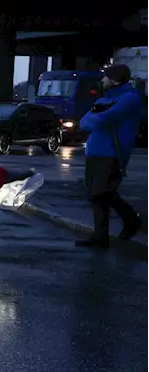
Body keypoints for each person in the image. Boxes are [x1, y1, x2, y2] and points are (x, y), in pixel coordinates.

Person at [76, 63, 142, 247]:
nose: (102, 80)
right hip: (94, 151)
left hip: (113, 152)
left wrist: (97, 117)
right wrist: (97, 117)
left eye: (105, 77)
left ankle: (131, 218)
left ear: (115, 80)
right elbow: (84, 123)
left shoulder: (130, 98)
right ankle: (100, 235)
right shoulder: (104, 99)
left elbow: (105, 119)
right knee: (94, 194)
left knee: (101, 192)